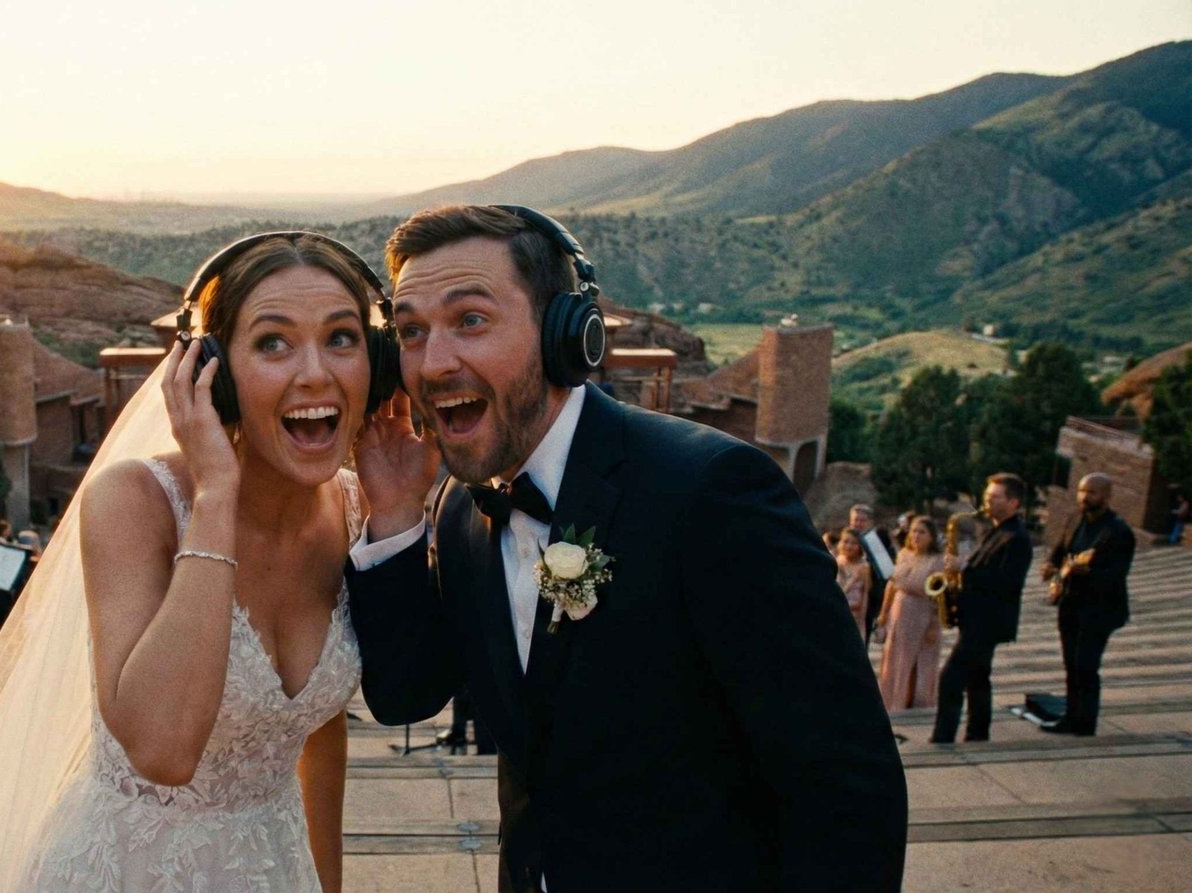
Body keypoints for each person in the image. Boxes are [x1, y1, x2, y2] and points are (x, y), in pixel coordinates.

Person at [346, 205, 906, 891]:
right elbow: (406, 693)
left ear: (565, 334)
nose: (433, 363)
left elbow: (846, 789)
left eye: (470, 320)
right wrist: (395, 517)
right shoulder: (460, 508)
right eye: (410, 331)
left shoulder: (713, 492)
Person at [0, 231, 392, 892]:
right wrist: (216, 495)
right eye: (273, 342)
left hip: (274, 868)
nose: (315, 371)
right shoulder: (134, 500)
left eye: (341, 337)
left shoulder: (355, 507)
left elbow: (319, 729)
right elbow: (163, 749)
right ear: (212, 374)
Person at [930, 473, 1033, 744]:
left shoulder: (1017, 538)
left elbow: (1008, 582)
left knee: (951, 677)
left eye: (994, 497)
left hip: (987, 622)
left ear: (1014, 502)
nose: (987, 501)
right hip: (976, 616)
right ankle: (978, 733)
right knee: (977, 678)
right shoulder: (995, 530)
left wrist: (964, 567)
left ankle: (943, 736)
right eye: (987, 496)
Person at [1040, 473, 1135, 735]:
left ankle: (1086, 722)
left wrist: (1087, 573)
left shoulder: (1118, 531)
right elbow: (1060, 550)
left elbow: (1116, 575)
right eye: (1082, 491)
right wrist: (1050, 565)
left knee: (1086, 664)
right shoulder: (1075, 520)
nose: (1084, 497)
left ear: (1107, 496)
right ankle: (1071, 716)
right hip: (1069, 602)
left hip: (1100, 609)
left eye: (1092, 492)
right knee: (1071, 664)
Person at [875, 516, 945, 711]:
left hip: (921, 613)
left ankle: (916, 703)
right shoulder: (904, 554)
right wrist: (883, 613)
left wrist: (934, 624)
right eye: (914, 530)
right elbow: (892, 584)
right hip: (899, 612)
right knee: (895, 657)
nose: (916, 535)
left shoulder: (938, 560)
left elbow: (940, 596)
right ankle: (892, 701)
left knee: (918, 660)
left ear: (931, 536)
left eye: (922, 532)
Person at [849, 503, 895, 641]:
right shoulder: (846, 539)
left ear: (870, 523)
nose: (858, 524)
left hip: (868, 598)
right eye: (855, 520)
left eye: (862, 521)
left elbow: (886, 573)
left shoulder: (875, 542)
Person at [835, 527, 872, 637]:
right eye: (845, 542)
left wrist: (862, 621)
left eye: (854, 543)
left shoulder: (864, 567)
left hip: (854, 615)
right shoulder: (837, 561)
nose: (849, 546)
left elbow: (865, 595)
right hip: (836, 612)